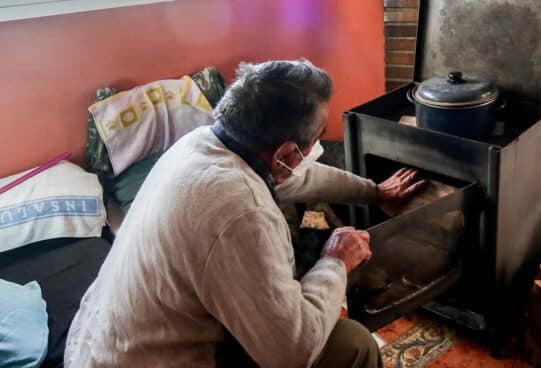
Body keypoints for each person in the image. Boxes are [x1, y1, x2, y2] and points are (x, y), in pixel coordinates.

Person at [64, 59, 426, 368]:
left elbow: (299, 178)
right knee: (351, 343)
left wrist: (374, 192)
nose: (316, 146)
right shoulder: (240, 212)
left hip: (93, 348)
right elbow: (292, 352)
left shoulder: (203, 144)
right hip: (144, 359)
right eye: (317, 138)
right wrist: (335, 261)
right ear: (286, 153)